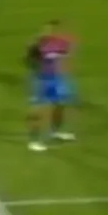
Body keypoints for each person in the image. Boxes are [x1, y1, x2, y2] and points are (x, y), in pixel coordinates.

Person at [26, 19, 76, 152]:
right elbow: (29, 62)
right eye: (48, 29)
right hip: (41, 79)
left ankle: (55, 132)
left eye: (54, 29)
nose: (51, 32)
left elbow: (64, 59)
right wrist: (37, 64)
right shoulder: (37, 45)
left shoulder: (63, 43)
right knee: (38, 110)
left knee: (60, 106)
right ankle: (34, 140)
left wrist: (64, 74)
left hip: (57, 79)